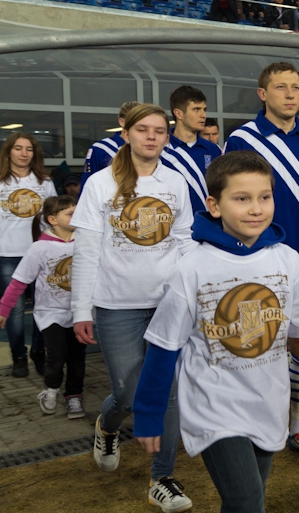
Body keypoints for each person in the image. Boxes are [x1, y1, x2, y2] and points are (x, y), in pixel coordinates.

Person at [130, 151, 299, 513]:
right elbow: (163, 348)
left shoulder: (285, 259)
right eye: (242, 198)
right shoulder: (191, 268)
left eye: (264, 197)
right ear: (214, 205)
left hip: (269, 403)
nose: (256, 208)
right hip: (215, 408)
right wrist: (147, 415)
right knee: (247, 502)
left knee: (248, 501)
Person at [71, 104, 195, 512]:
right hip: (115, 305)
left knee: (169, 391)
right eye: (143, 129)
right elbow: (86, 251)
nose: (152, 137)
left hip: (167, 303)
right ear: (126, 133)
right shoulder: (100, 184)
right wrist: (81, 309)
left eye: (160, 131)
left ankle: (162, 478)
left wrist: (190, 291)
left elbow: (184, 242)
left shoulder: (175, 183)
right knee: (127, 392)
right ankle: (107, 426)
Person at [223, 62, 299, 461]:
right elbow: (227, 201)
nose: (290, 94)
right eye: (280, 87)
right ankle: (252, 422)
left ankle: (298, 426)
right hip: (254, 260)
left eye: (296, 88)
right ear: (263, 94)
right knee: (254, 344)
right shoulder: (242, 140)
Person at [0, 195, 86, 419]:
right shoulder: (39, 248)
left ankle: (74, 396)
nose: (76, 216)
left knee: (77, 357)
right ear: (53, 219)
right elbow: (19, 281)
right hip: (51, 314)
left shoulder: (86, 242)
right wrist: (4, 309)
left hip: (82, 314)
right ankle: (50, 389)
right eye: (70, 213)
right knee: (57, 356)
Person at [0, 133, 56, 378]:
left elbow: (53, 218)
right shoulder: (1, 181)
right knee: (14, 309)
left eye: (29, 149)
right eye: (18, 148)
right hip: (7, 253)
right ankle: (19, 356)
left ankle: (39, 351)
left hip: (40, 252)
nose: (24, 153)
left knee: (43, 307)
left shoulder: (44, 181)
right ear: (9, 152)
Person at [160, 86, 222, 216]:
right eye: (196, 109)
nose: (203, 115)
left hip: (208, 225)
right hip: (171, 225)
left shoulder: (213, 149)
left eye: (204, 109)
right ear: (179, 113)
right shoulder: (160, 150)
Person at [80, 101, 141, 191]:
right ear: (122, 122)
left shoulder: (152, 148)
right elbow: (87, 185)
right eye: (135, 119)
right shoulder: (100, 148)